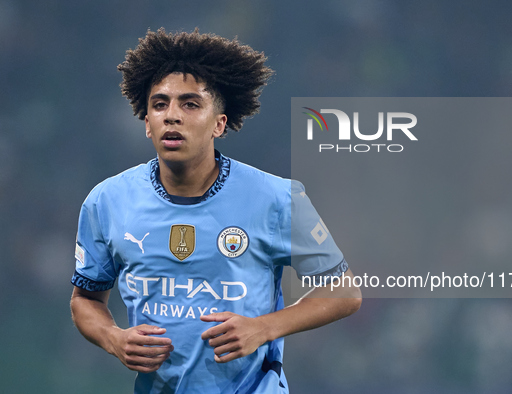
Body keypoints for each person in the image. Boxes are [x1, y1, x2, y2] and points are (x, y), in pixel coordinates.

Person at [70, 27, 361, 393]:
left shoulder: (276, 198)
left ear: (219, 124)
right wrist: (114, 338)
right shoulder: (106, 201)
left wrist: (264, 327)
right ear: (147, 124)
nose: (171, 116)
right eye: (159, 105)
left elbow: (343, 291)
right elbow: (85, 299)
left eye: (190, 104)